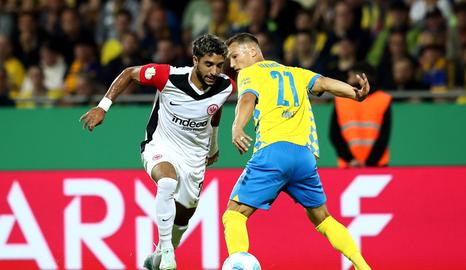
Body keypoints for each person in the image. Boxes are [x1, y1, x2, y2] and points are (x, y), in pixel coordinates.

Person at [79, 34, 233, 270]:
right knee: (167, 183)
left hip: (194, 155)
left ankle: (158, 255)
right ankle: (168, 253)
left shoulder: (225, 86)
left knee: (184, 215)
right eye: (208, 64)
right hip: (161, 144)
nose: (214, 71)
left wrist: (213, 144)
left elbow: (215, 109)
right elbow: (130, 72)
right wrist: (103, 107)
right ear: (195, 60)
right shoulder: (168, 76)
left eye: (219, 65)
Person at [223, 33, 372, 270]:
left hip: (273, 152)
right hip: (305, 157)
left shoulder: (250, 73)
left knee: (234, 216)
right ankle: (364, 267)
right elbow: (324, 82)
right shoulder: (296, 72)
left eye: (233, 56)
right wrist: (356, 93)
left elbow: (247, 99)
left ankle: (240, 267)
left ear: (252, 52)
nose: (232, 64)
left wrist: (237, 126)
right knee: (323, 219)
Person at [330, 63, 392, 168]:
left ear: (360, 77)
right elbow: (383, 136)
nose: (348, 79)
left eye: (351, 75)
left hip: (350, 166)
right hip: (375, 165)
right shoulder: (383, 99)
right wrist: (369, 163)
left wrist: (350, 159)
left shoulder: (341, 100)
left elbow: (334, 135)